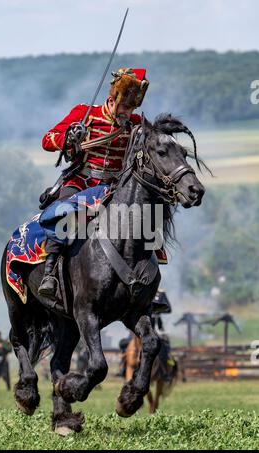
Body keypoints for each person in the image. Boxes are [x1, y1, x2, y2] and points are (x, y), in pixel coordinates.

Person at [39, 67, 167, 299]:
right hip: (83, 181)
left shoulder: (137, 123)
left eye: (131, 108)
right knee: (62, 212)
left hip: (116, 186)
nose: (127, 113)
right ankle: (50, 272)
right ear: (112, 99)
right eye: (124, 107)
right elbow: (47, 140)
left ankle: (151, 283)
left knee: (149, 215)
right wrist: (68, 138)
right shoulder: (84, 114)